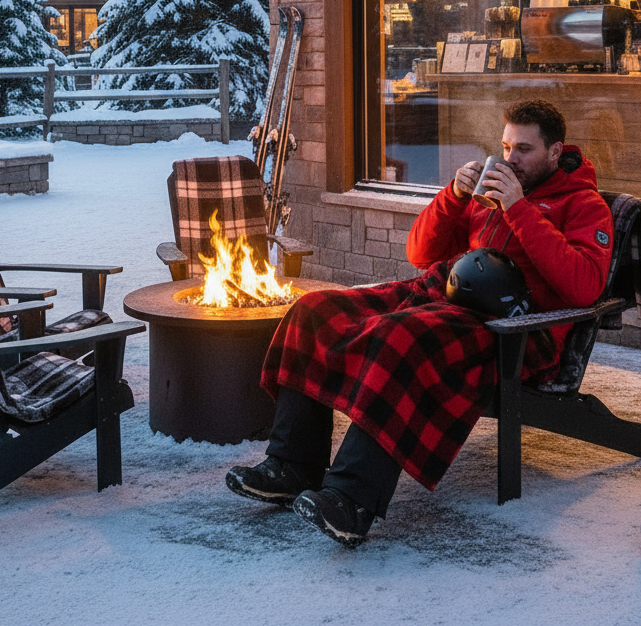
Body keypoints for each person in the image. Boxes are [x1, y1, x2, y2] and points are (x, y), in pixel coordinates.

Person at [225, 99, 613, 548]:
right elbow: (419, 253)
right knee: (314, 311)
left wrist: (520, 210)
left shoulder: (583, 204)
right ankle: (292, 465)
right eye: (505, 146)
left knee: (400, 340)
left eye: (523, 149)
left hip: (515, 331)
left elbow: (585, 286)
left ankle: (351, 499)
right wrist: (453, 196)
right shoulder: (494, 190)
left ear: (554, 151)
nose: (510, 159)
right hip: (441, 294)